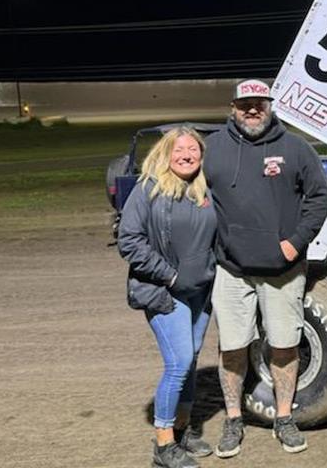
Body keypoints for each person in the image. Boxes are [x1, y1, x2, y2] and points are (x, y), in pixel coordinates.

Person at [203, 79, 327, 458]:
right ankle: (232, 418)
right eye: (245, 105)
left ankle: (285, 417)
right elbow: (191, 192)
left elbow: (319, 197)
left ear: (270, 106)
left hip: (283, 270)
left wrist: (295, 243)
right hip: (232, 269)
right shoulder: (215, 148)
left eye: (260, 103)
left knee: (284, 345)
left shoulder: (295, 147)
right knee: (233, 347)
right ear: (233, 108)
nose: (253, 110)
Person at [117, 126, 216, 468]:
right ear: (165, 153)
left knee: (190, 363)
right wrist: (171, 275)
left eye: (193, 149)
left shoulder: (204, 190)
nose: (186, 154)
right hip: (164, 292)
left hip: (202, 293)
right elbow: (129, 241)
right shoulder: (148, 189)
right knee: (179, 364)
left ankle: (182, 429)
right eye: (179, 149)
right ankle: (163, 446)